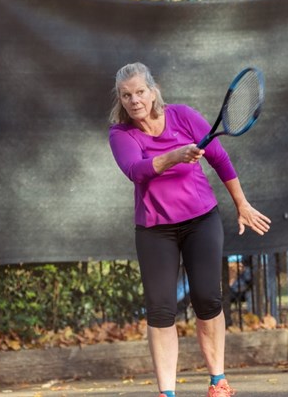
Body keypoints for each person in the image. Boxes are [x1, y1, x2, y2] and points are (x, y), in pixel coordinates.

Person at [108, 62, 271, 397]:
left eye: (140, 91)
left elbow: (220, 159)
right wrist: (176, 155)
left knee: (208, 299)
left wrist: (242, 204)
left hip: (202, 221)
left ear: (153, 91)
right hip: (155, 230)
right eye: (126, 95)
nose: (134, 100)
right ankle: (166, 393)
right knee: (160, 310)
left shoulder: (182, 116)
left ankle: (218, 382)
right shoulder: (120, 134)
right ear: (121, 100)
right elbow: (136, 171)